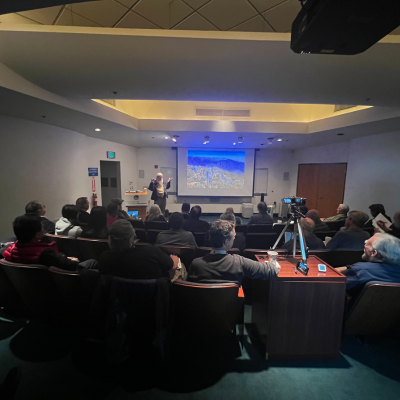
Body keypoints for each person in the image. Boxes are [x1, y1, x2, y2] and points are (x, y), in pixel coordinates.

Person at [187, 220, 278, 286]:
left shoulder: (196, 264)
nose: (234, 238)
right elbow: (272, 271)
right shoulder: (238, 262)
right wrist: (273, 262)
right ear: (226, 242)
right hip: (231, 310)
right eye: (234, 237)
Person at [2, 215, 97, 270]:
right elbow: (70, 265)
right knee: (92, 262)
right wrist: (72, 260)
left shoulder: (8, 250)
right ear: (37, 235)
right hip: (55, 286)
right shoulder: (45, 254)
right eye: (42, 228)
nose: (44, 230)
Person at [99, 220, 178, 279]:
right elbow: (170, 266)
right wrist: (175, 260)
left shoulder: (104, 258)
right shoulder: (150, 252)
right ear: (134, 237)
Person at [338, 234, 400, 299]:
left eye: (367, 243)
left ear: (373, 252)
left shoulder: (360, 271)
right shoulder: (361, 269)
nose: (364, 246)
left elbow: (333, 285)